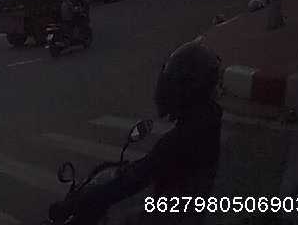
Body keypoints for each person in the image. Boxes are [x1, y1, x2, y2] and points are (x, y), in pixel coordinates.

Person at [47, 40, 222, 225]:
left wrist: (74, 203)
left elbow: (135, 179)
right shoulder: (207, 119)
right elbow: (149, 166)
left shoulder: (183, 137)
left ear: (186, 87)